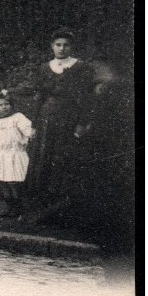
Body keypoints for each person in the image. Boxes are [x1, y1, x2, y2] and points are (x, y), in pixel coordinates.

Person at [25, 28, 95, 222]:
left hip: (69, 119)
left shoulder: (81, 68)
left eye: (66, 45)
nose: (62, 48)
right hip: (47, 120)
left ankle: (63, 210)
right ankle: (41, 207)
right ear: (52, 47)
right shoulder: (44, 68)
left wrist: (82, 123)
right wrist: (34, 124)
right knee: (43, 159)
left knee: (64, 160)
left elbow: (87, 98)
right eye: (58, 45)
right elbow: (39, 98)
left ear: (71, 47)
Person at [0, 89, 34, 219]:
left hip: (16, 154)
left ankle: (19, 209)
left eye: (6, 104)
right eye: (0, 105)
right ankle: (9, 207)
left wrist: (31, 133)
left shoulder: (17, 117)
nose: (4, 107)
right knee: (3, 182)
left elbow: (28, 129)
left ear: (11, 105)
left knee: (14, 183)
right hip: (1, 156)